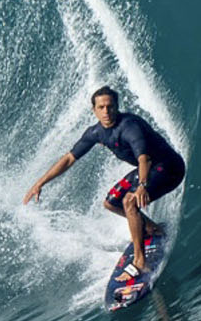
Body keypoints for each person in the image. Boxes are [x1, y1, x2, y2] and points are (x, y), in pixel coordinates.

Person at [23, 86, 184, 273]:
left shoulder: (129, 127)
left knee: (129, 202)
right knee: (111, 202)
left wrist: (141, 186)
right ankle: (152, 229)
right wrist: (40, 183)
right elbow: (69, 158)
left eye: (110, 106)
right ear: (94, 110)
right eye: (101, 108)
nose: (106, 112)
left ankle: (140, 262)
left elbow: (143, 158)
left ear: (117, 107)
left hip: (170, 167)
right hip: (151, 168)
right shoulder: (95, 132)